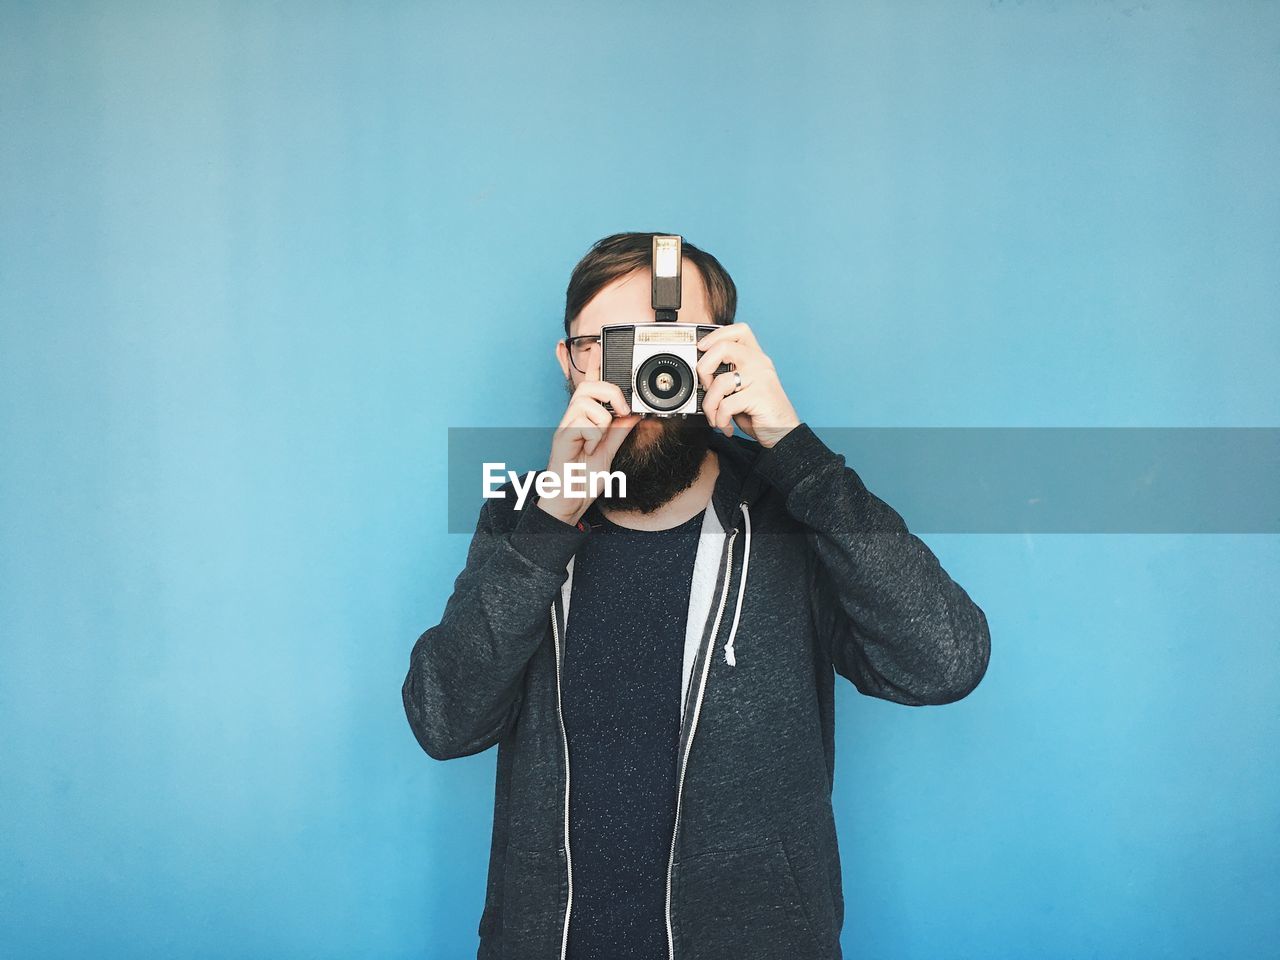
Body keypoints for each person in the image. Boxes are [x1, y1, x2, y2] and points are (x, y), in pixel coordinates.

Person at [402, 232, 991, 960]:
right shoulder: (521, 519)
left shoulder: (793, 515)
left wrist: (795, 450)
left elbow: (944, 660)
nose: (646, 373)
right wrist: (551, 519)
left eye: (672, 344)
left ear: (722, 355)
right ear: (568, 360)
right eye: (615, 346)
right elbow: (443, 720)